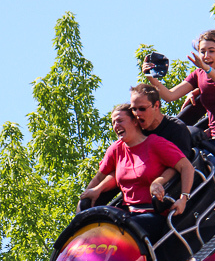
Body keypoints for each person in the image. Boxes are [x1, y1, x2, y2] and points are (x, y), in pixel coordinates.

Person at [142, 30, 215, 183]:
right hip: (213, 138)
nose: (206, 56)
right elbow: (170, 96)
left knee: (212, 163)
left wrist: (208, 69)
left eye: (211, 51)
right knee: (190, 164)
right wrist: (151, 78)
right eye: (202, 52)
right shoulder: (199, 74)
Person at [79, 104, 195, 244]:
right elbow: (101, 177)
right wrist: (87, 201)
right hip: (127, 214)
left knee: (120, 232)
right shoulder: (116, 149)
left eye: (120, 120)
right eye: (113, 123)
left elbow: (187, 167)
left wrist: (183, 198)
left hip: (152, 214)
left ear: (134, 121)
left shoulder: (155, 143)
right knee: (97, 232)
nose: (116, 126)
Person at [129, 83, 192, 158]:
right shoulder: (135, 133)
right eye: (134, 109)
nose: (137, 113)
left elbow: (183, 163)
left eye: (142, 109)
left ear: (156, 105)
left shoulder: (176, 130)